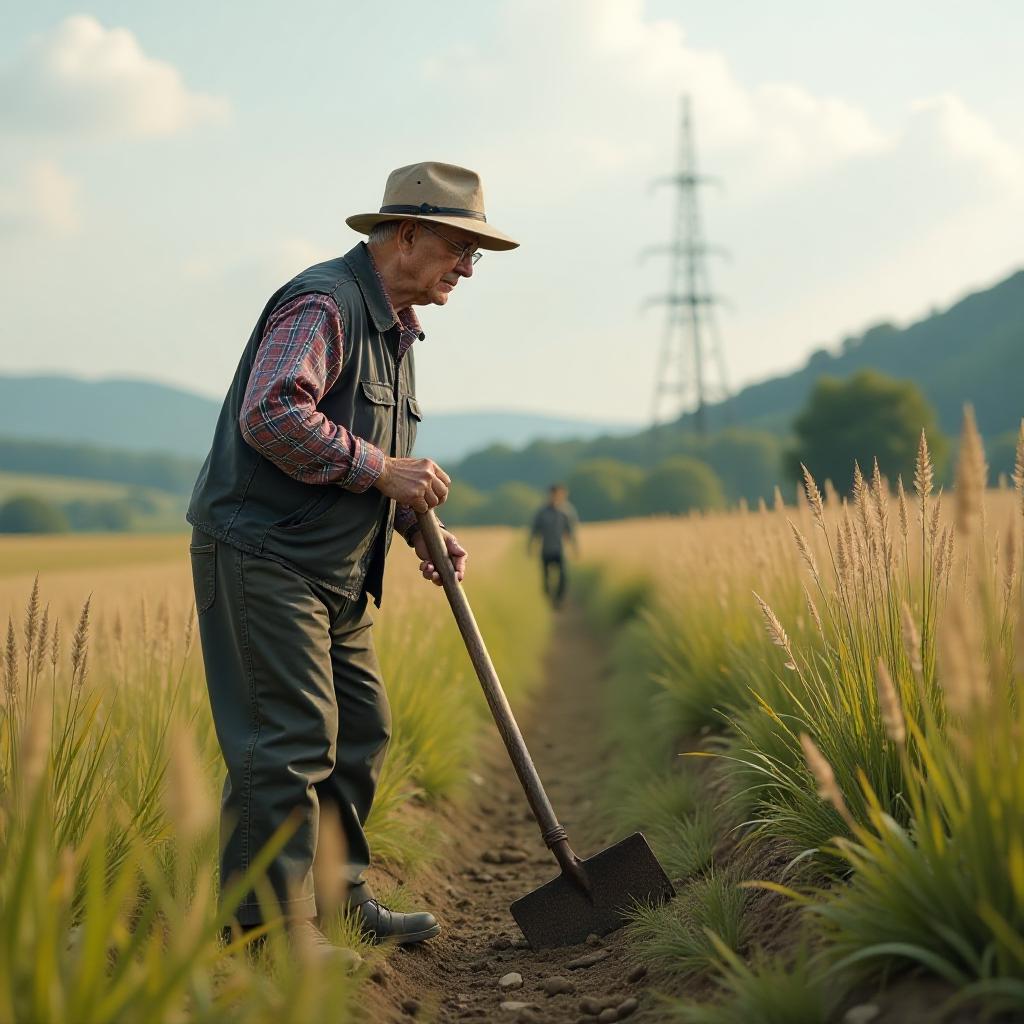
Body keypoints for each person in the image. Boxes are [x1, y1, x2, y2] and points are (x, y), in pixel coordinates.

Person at [185, 162, 518, 961]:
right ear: (403, 234)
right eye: (459, 247)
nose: (469, 268)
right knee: (288, 741)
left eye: (476, 254)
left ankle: (340, 900)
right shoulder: (325, 303)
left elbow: (367, 455)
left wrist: (413, 523)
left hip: (333, 568)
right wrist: (383, 470)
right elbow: (273, 413)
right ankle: (262, 933)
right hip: (265, 553)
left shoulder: (396, 330)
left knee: (361, 728)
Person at [528, 484, 579, 608]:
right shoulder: (542, 513)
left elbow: (571, 532)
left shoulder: (566, 512)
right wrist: (530, 546)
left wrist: (575, 548)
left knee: (563, 578)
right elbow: (535, 531)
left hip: (560, 550)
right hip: (546, 550)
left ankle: (558, 601)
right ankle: (549, 601)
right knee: (546, 580)